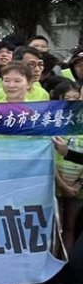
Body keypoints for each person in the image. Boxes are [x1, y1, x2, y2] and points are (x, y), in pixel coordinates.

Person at [0, 62, 42, 284]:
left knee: (25, 228)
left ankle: (23, 281)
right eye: (6, 80)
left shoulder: (39, 112)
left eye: (18, 80)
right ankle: (2, 280)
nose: (11, 85)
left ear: (29, 84)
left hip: (29, 177)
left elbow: (44, 145)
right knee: (1, 226)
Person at [48, 80, 83, 254]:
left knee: (71, 226)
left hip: (78, 188)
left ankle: (67, 265)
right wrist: (62, 184)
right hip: (55, 184)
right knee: (55, 226)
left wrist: (78, 184)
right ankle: (52, 263)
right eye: (67, 98)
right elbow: (48, 156)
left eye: (77, 98)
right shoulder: (52, 121)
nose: (74, 102)